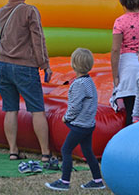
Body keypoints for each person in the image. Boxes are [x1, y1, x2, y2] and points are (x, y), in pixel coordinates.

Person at [0, 0, 57, 170]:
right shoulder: (30, 11)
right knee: (36, 109)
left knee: (10, 108)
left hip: (3, 65)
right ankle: (45, 153)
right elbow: (38, 39)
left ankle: (13, 150)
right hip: (25, 66)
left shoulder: (1, 11)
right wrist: (45, 64)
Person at [45, 48, 105, 191]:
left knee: (66, 149)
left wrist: (67, 118)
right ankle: (97, 180)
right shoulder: (89, 81)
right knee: (88, 151)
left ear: (74, 64)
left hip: (80, 124)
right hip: (88, 124)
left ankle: (64, 182)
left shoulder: (79, 84)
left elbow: (75, 106)